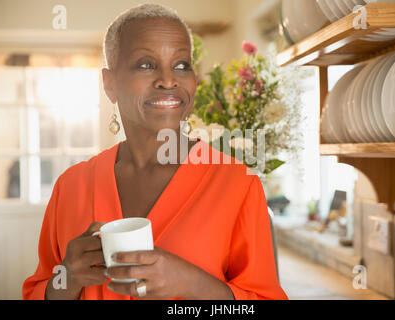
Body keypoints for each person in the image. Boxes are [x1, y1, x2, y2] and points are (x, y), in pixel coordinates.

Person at [22, 3, 288, 300]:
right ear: (110, 84)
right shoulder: (70, 187)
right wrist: (68, 278)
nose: (168, 80)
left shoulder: (237, 184)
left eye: (181, 65)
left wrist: (194, 284)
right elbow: (39, 292)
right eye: (146, 64)